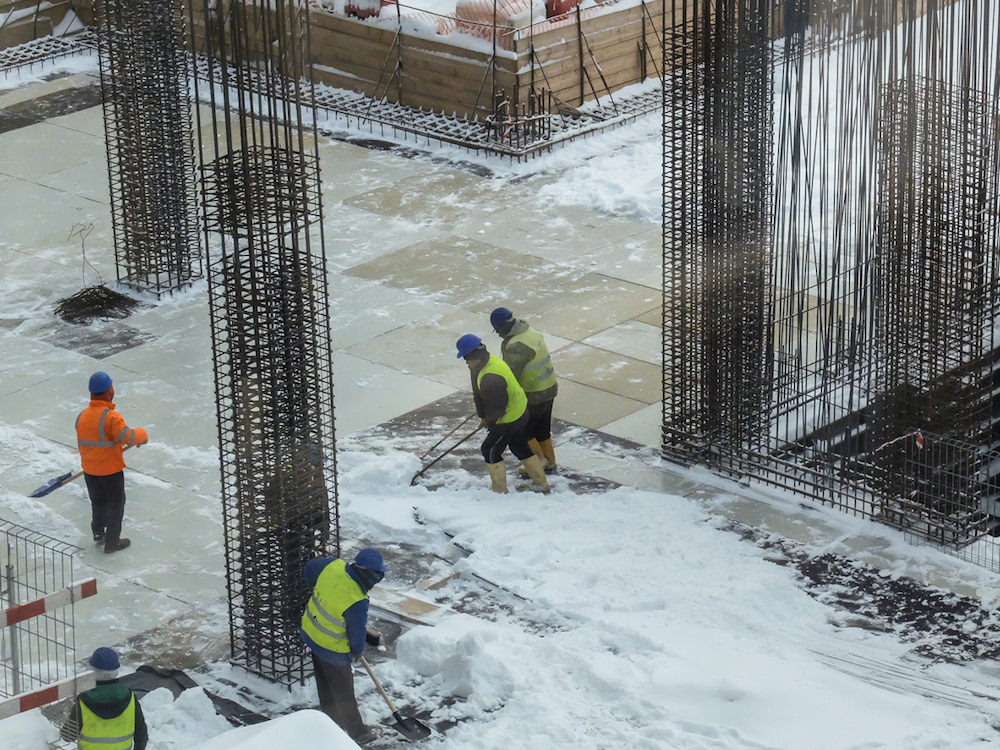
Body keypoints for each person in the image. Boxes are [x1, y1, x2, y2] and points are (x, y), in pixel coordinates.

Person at [300, 548, 386, 745]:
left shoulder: (333, 566)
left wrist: (316, 588)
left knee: (324, 682)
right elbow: (357, 635)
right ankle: (358, 733)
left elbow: (310, 569)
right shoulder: (356, 600)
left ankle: (330, 722)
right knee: (344, 692)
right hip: (333, 650)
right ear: (370, 576)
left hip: (312, 633)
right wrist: (356, 651)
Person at [455, 334, 550, 494]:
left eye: (467, 358)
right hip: (519, 410)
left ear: (475, 356)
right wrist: (482, 414)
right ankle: (541, 483)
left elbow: (498, 408)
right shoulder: (485, 362)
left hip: (509, 419)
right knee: (518, 444)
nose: (466, 361)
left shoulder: (491, 378)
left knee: (490, 449)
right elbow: (479, 393)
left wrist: (489, 420)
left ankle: (499, 490)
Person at [76, 371, 148, 554]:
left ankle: (98, 532)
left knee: (98, 502)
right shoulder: (111, 417)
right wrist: (142, 434)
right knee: (116, 504)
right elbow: (127, 437)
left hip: (90, 471)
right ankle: (112, 542)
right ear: (108, 391)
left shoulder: (82, 416)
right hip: (110, 472)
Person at [490, 307, 559, 473]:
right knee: (542, 428)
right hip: (549, 387)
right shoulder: (529, 332)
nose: (499, 335)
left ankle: (538, 462)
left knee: (523, 430)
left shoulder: (516, 345)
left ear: (504, 327)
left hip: (534, 392)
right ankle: (550, 461)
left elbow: (510, 376)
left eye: (499, 331)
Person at [61, 647, 148, 750]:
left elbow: (68, 736)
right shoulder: (130, 698)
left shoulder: (84, 700)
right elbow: (141, 735)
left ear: (94, 671)